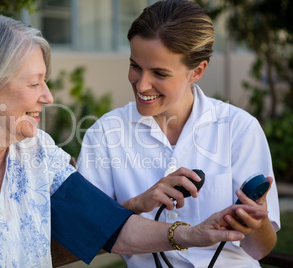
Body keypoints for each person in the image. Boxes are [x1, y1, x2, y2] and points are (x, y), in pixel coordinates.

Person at [0, 12, 266, 268]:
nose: (48, 96)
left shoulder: (36, 151)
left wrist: (195, 233)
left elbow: (107, 226)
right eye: (34, 83)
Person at [77, 0, 280, 267]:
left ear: (197, 71)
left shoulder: (239, 129)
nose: (142, 83)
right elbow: (84, 229)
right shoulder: (105, 133)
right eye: (135, 66)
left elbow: (259, 251)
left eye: (159, 73)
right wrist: (140, 202)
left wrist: (258, 221)